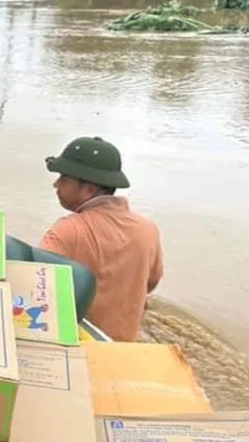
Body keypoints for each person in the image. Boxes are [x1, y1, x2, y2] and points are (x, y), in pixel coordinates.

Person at [39, 136, 164, 341]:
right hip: (124, 347)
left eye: (64, 178)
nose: (56, 184)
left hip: (79, 344)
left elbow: (36, 286)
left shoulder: (67, 231)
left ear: (89, 189)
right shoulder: (147, 230)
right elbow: (151, 282)